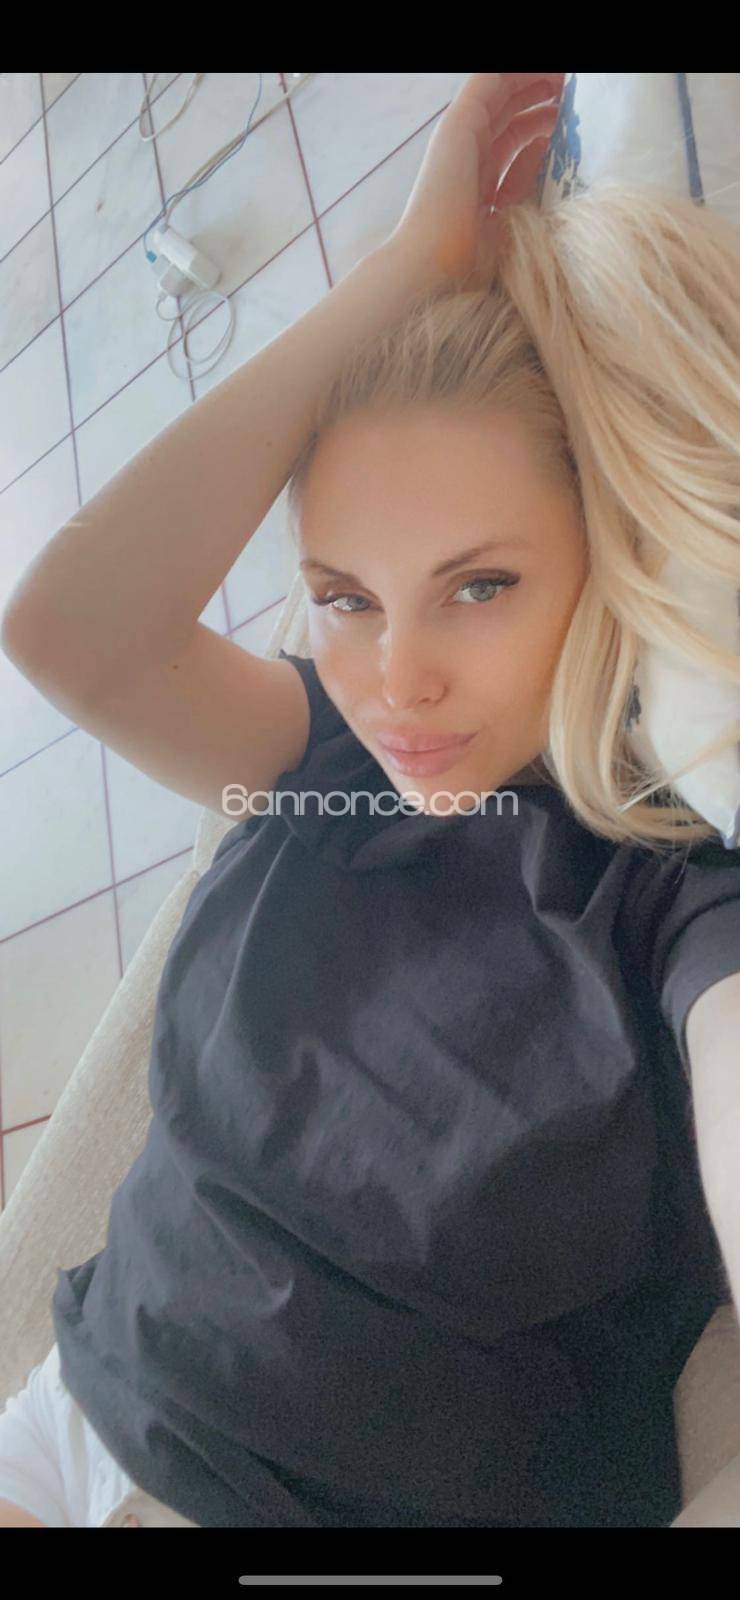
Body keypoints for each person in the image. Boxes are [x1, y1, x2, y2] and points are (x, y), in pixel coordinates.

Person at [2, 72, 740, 1530]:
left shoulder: (671, 888)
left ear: (610, 555)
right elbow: (68, 631)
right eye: (344, 596)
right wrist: (408, 272)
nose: (396, 681)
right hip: (78, 1417)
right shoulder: (322, 759)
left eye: (481, 585)